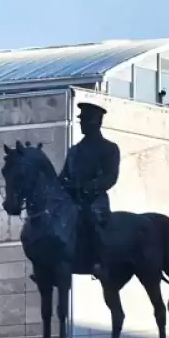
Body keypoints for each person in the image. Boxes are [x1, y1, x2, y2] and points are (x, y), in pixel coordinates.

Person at [58, 102, 120, 280]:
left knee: (92, 218)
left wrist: (89, 186)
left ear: (96, 122)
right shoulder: (74, 151)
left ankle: (99, 261)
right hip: (72, 200)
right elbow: (63, 176)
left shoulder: (108, 149)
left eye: (85, 120)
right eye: (81, 120)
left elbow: (110, 176)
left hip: (94, 199)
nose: (82, 123)